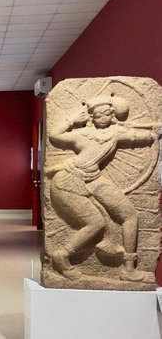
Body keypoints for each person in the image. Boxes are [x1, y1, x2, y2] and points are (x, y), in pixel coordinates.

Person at [47, 96, 159, 283]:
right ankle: (62, 255)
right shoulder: (83, 134)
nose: (103, 118)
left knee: (129, 215)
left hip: (93, 178)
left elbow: (136, 136)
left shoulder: (115, 133)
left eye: (107, 113)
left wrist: (153, 133)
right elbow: (54, 136)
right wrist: (70, 120)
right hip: (67, 181)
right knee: (95, 223)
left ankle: (129, 268)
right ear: (91, 117)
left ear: (112, 114)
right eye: (98, 115)